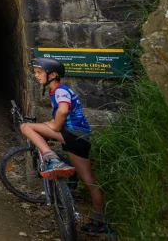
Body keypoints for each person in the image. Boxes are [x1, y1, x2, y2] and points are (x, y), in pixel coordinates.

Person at [19, 58, 112, 237]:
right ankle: (99, 221)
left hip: (72, 135)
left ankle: (50, 157)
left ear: (52, 75)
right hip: (81, 137)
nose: (36, 75)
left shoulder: (60, 91)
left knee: (26, 127)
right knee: (89, 180)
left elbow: (62, 111)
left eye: (39, 72)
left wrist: (53, 127)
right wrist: (51, 124)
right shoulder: (58, 90)